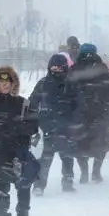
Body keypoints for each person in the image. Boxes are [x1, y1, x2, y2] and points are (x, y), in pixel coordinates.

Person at [0, 66, 39, 216]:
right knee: (1, 190)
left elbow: (34, 126)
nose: (4, 85)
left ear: (14, 83)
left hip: (19, 154)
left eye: (8, 81)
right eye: (0, 82)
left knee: (23, 188)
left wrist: (19, 129)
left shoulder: (24, 104)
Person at [68, 43, 109, 182]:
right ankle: (96, 172)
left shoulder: (74, 68)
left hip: (80, 113)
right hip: (100, 111)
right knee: (101, 142)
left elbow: (68, 90)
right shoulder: (101, 68)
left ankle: (84, 172)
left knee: (80, 143)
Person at [29, 54, 76, 194]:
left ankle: (68, 181)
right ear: (49, 67)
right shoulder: (43, 83)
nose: (56, 70)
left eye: (60, 68)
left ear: (65, 68)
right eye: (54, 67)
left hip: (65, 128)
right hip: (46, 127)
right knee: (44, 159)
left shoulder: (70, 85)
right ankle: (39, 185)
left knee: (67, 157)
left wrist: (75, 122)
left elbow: (79, 105)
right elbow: (32, 103)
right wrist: (32, 120)